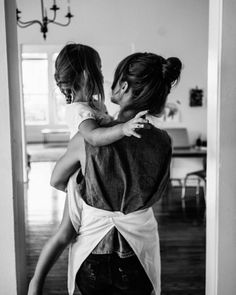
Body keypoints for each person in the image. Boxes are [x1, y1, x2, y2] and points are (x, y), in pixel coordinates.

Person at [51, 52, 182, 295]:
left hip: (94, 249)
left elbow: (57, 179)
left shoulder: (89, 138)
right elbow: (158, 192)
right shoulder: (164, 142)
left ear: (123, 86)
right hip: (138, 252)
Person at [27, 44, 149, 295]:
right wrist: (123, 128)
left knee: (67, 232)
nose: (103, 74)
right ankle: (36, 282)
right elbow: (93, 137)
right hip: (82, 178)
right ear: (85, 73)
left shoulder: (93, 107)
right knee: (64, 233)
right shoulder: (80, 111)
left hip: (90, 174)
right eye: (99, 68)